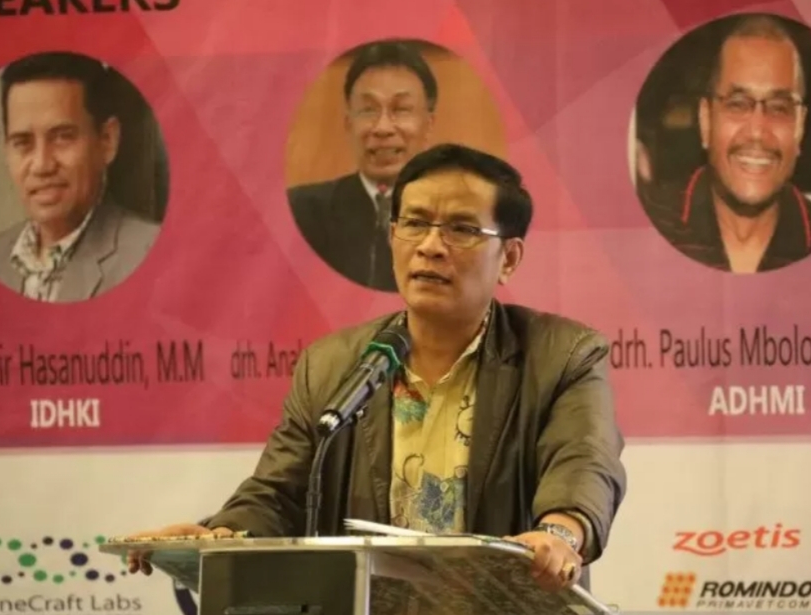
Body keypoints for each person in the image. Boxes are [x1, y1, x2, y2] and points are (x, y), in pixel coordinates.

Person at [126, 143, 627, 596]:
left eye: (461, 229)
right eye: (415, 223)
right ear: (393, 237)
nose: (431, 245)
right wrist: (217, 537)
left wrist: (559, 534)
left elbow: (584, 463)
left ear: (509, 258)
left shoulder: (562, 355)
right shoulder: (334, 365)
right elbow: (279, 493)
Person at [641, 14, 811, 274]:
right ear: (706, 121)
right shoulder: (645, 227)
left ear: (800, 127)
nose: (757, 132)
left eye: (779, 108)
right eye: (737, 105)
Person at [0, 51, 160, 302]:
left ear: (107, 141)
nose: (42, 165)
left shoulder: (149, 252)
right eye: (23, 142)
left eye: (63, 137)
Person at [287, 40, 436, 293]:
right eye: (368, 110)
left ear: (428, 125)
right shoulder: (304, 211)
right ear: (348, 124)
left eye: (401, 109)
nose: (382, 128)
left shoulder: (461, 215)